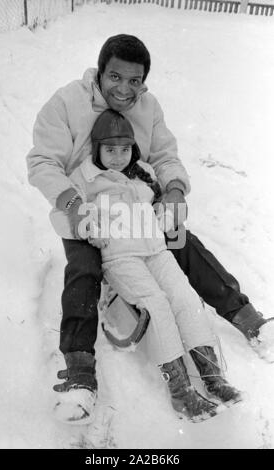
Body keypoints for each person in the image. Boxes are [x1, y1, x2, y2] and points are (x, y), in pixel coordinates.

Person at [26, 34, 272, 422]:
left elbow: (165, 155)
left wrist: (173, 190)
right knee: (84, 271)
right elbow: (42, 162)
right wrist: (72, 205)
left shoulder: (148, 107)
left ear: (145, 82)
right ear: (100, 71)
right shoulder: (67, 103)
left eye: (135, 81)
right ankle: (80, 375)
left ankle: (248, 320)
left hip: (139, 209)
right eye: (115, 77)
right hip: (89, 211)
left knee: (184, 244)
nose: (124, 89)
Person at [54, 108, 243, 423]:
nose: (118, 157)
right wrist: (87, 225)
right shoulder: (83, 180)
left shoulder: (142, 173)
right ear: (97, 147)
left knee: (185, 298)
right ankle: (181, 392)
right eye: (110, 150)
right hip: (121, 257)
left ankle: (213, 377)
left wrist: (165, 214)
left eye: (124, 149)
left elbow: (161, 205)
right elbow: (64, 213)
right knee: (158, 305)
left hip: (155, 250)